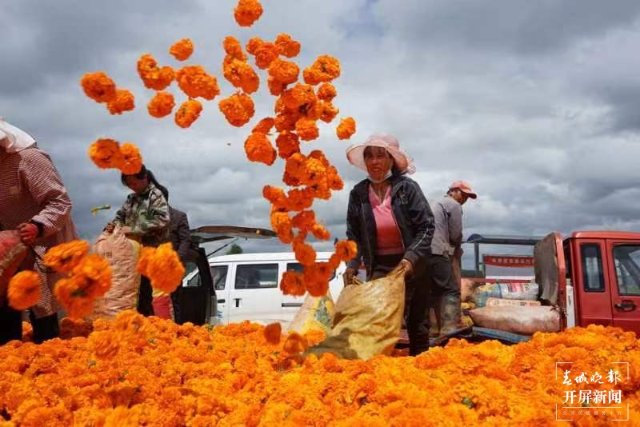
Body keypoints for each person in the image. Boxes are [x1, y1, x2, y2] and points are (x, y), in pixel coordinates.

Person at [344, 133, 435, 356]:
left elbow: (426, 226)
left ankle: (420, 366)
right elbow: (353, 234)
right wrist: (352, 264)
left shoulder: (407, 189)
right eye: (369, 157)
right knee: (378, 319)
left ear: (390, 160)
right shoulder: (358, 193)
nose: (374, 162)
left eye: (380, 156)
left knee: (417, 320)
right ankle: (379, 368)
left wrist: (410, 259)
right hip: (381, 266)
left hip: (412, 263)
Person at [0, 119, 78, 344]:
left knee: (42, 307)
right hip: (10, 248)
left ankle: (50, 355)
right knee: (8, 300)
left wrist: (37, 226)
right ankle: (10, 358)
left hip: (45, 241)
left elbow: (60, 202)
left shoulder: (28, 159)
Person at [105, 164, 170, 316]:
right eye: (129, 185)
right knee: (131, 288)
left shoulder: (156, 195)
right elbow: (120, 216)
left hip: (154, 248)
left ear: (144, 178)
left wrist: (133, 229)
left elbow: (162, 220)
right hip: (132, 251)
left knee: (159, 290)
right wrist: (114, 226)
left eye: (134, 183)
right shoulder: (131, 199)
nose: (132, 187)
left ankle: (165, 328)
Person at [428, 180, 477, 336]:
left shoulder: (434, 202)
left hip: (422, 251)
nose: (465, 199)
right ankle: (449, 328)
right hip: (438, 251)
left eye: (467, 197)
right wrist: (457, 248)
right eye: (463, 195)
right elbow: (455, 235)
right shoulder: (453, 205)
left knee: (434, 290)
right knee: (451, 290)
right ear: (453, 191)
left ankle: (434, 328)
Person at [168, 205, 191, 323]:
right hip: (150, 268)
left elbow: (185, 241)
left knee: (173, 302)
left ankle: (174, 330)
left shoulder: (178, 217)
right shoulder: (146, 217)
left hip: (172, 269)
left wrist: (176, 258)